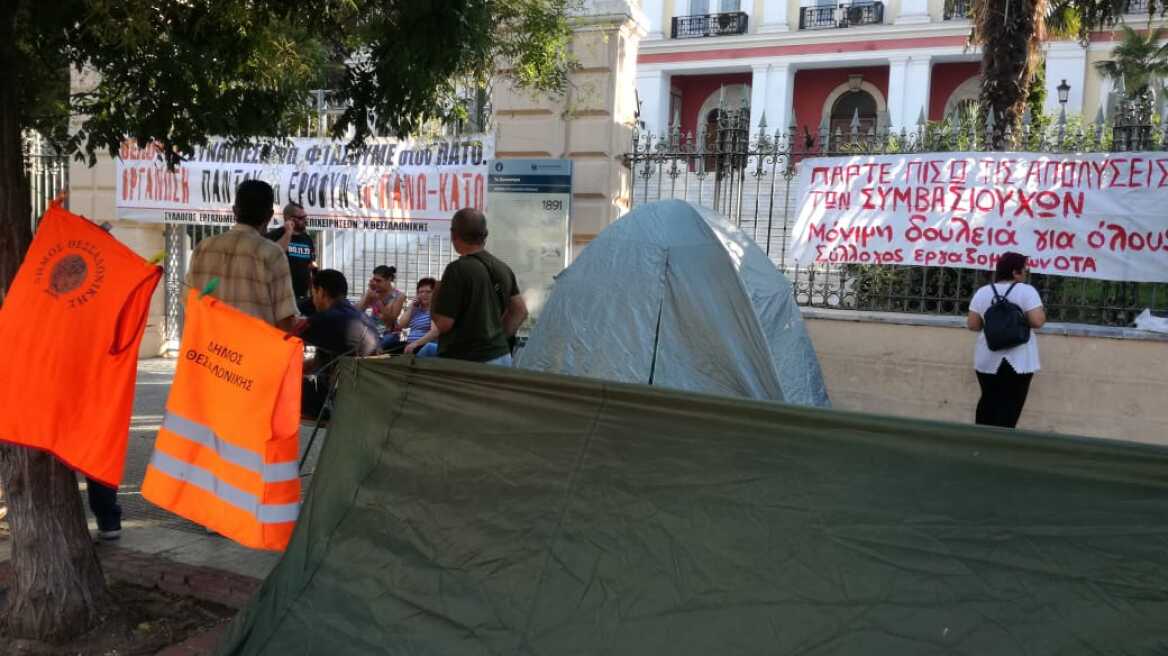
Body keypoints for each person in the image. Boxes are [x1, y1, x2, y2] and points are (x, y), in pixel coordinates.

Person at [186, 179, 299, 332]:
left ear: (234, 211)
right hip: (254, 350)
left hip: (211, 348)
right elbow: (285, 320)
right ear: (270, 215)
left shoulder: (203, 248)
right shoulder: (272, 253)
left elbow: (189, 301)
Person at [431, 208, 527, 365]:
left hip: (467, 361)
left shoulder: (456, 270)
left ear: (453, 234)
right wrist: (498, 340)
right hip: (501, 356)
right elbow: (520, 311)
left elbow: (443, 324)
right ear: (485, 235)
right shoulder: (502, 267)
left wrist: (435, 295)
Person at [966, 251, 1046, 428]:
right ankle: (1001, 446)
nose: (1025, 274)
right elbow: (1037, 321)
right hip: (1019, 359)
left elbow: (973, 324)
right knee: (1011, 406)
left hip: (987, 357)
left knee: (988, 402)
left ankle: (979, 444)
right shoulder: (1026, 291)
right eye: (1024, 270)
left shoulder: (983, 292)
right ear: (1015, 272)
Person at [296, 269, 379, 417]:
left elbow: (285, 333)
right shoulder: (357, 315)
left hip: (342, 398)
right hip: (367, 391)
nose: (313, 300)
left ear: (321, 292)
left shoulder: (327, 319)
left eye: (313, 294)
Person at [266, 201, 316, 316]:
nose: (305, 220)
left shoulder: (307, 239)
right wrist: (288, 232)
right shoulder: (274, 236)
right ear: (289, 219)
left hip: (301, 297)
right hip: (280, 297)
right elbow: (274, 254)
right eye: (301, 217)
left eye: (305, 217)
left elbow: (310, 264)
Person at [358, 265, 406, 349]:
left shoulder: (399, 296)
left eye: (379, 281)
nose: (375, 283)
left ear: (389, 280)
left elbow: (390, 320)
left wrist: (378, 301)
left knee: (375, 346)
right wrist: (367, 295)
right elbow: (358, 311)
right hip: (372, 332)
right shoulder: (373, 292)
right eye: (374, 280)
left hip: (389, 334)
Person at [400, 278, 439, 357]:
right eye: (421, 292)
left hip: (422, 346)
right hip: (409, 346)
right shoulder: (415, 309)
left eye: (428, 292)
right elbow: (402, 325)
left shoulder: (435, 309)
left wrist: (415, 344)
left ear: (435, 293)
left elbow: (434, 332)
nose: (424, 295)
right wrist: (411, 306)